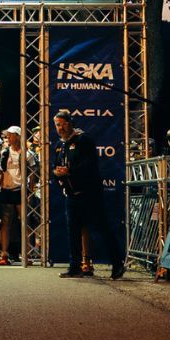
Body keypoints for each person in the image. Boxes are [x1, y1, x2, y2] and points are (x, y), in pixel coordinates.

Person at [52, 108, 124, 279]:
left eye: (63, 124)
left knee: (101, 228)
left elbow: (89, 166)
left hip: (89, 194)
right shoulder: (59, 145)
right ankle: (75, 267)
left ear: (70, 123)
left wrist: (70, 171)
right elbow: (55, 166)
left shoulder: (84, 140)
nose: (60, 128)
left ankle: (117, 263)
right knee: (73, 232)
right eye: (57, 125)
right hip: (71, 196)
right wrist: (56, 173)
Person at [0, 125, 36, 264]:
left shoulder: (27, 153)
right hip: (6, 190)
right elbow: (1, 171)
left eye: (11, 134)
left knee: (24, 222)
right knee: (5, 223)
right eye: (8, 134)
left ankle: (26, 254)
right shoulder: (4, 152)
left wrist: (30, 190)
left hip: (20, 190)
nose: (8, 136)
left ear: (18, 136)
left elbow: (33, 172)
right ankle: (4, 254)